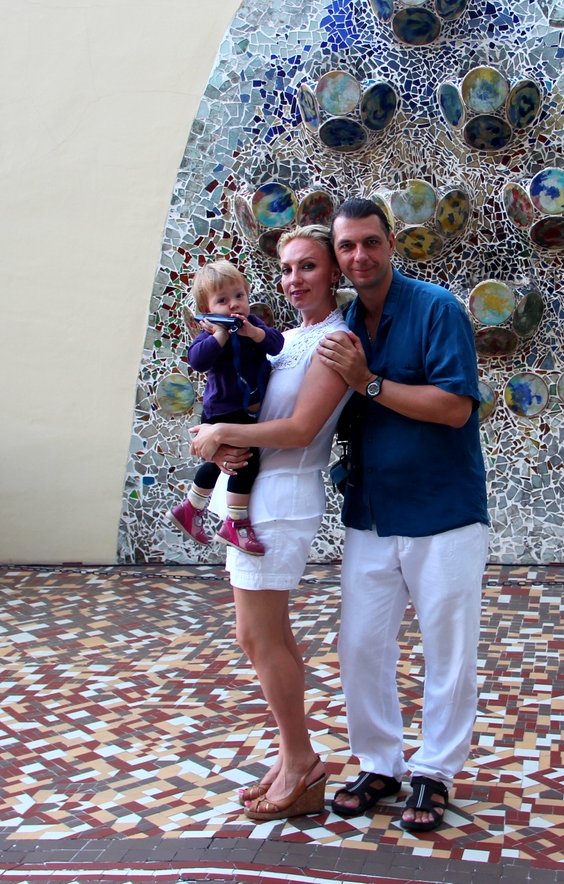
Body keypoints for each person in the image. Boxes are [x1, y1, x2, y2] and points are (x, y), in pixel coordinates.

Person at [315, 197, 488, 834]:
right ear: (337, 257)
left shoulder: (437, 308)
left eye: (370, 242)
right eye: (347, 246)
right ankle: (380, 763)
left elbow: (455, 408)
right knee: (360, 645)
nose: (359, 256)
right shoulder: (340, 324)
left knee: (448, 651)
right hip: (370, 511)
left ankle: (434, 771)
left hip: (443, 511)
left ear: (392, 243)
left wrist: (370, 382)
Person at [187, 226, 353, 821]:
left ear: (334, 273)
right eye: (286, 268)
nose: (294, 279)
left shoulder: (333, 340)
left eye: (308, 266)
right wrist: (223, 440)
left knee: (257, 636)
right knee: (268, 636)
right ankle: (290, 758)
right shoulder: (288, 339)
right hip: (257, 493)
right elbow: (247, 405)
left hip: (282, 500)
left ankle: (302, 760)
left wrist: (222, 433)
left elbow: (301, 430)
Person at [172, 261, 285, 555]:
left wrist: (255, 334)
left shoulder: (252, 325)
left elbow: (276, 345)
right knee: (245, 462)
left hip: (246, 411)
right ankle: (235, 523)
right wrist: (219, 335)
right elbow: (197, 361)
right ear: (206, 309)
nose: (234, 304)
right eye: (222, 300)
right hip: (223, 411)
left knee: (219, 463)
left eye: (239, 295)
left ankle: (191, 507)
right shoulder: (209, 336)